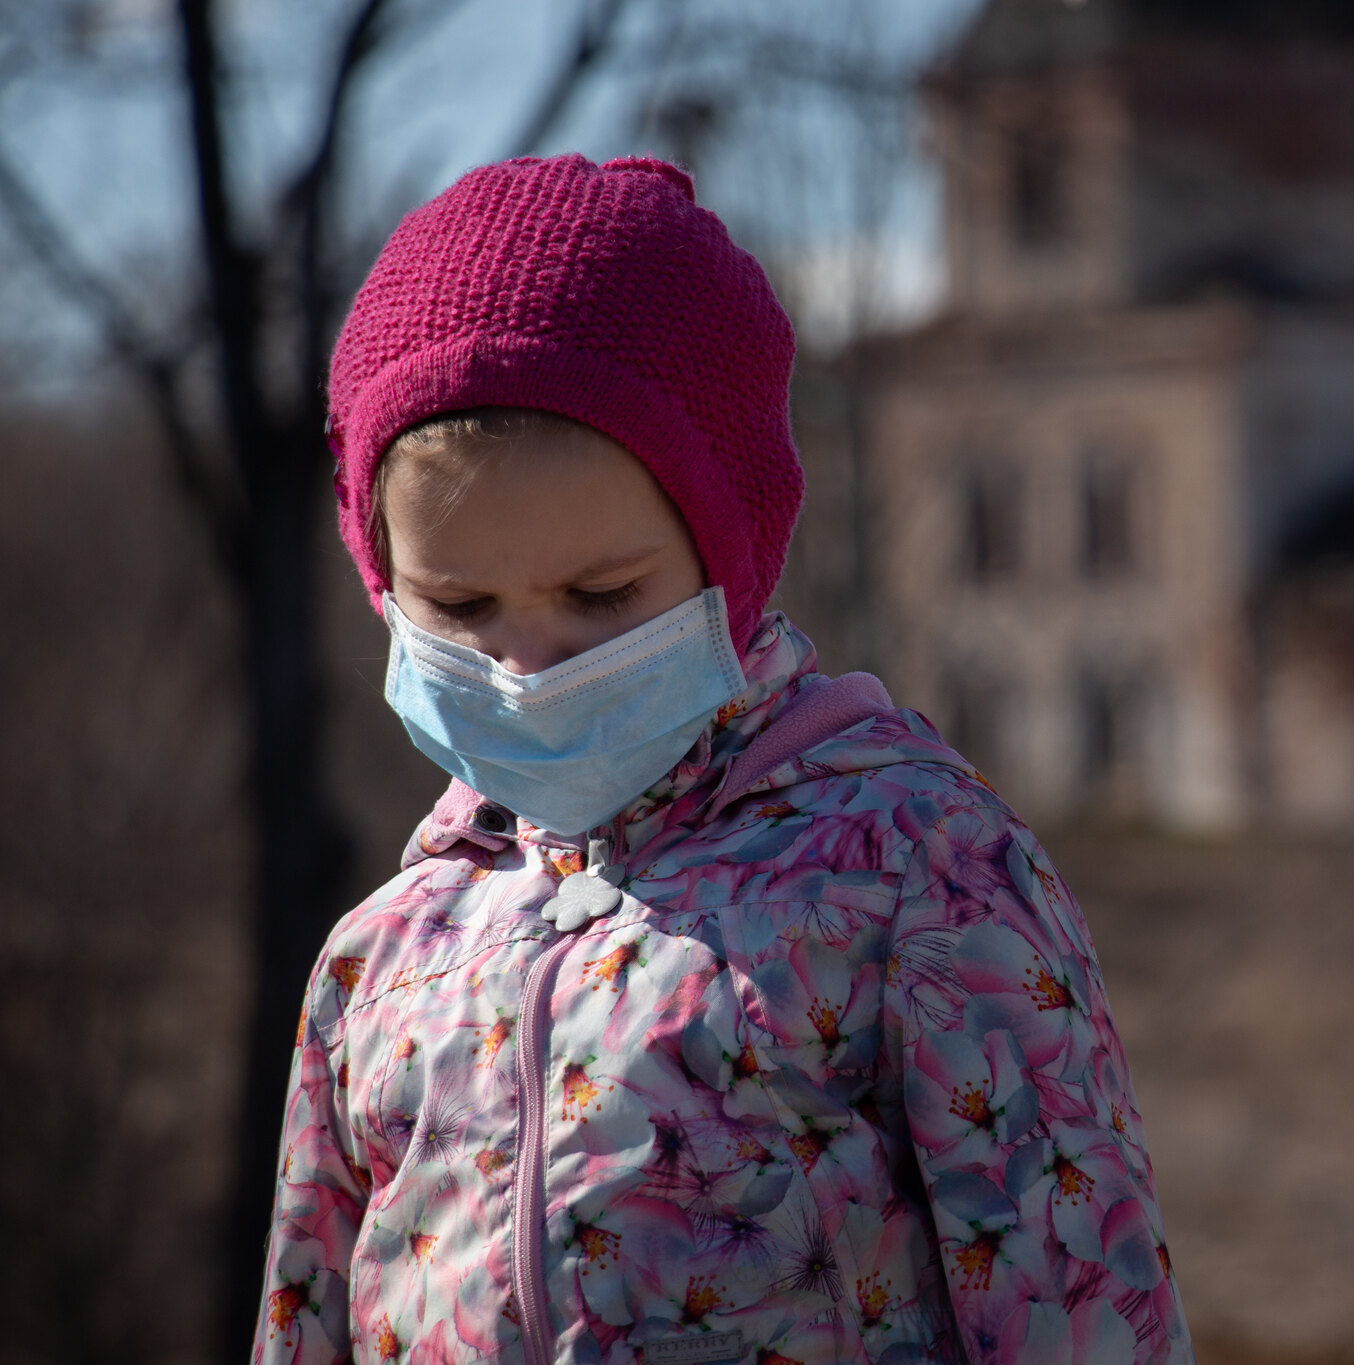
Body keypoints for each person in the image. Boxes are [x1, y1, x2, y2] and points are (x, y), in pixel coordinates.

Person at [253, 154, 1191, 1365]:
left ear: (729, 547)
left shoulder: (918, 870)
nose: (528, 662)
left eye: (600, 595)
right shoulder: (382, 961)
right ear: (381, 576)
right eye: (460, 604)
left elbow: (1081, 1316)